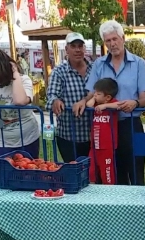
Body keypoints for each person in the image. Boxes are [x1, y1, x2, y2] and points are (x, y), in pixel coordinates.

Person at [72, 20, 145, 185]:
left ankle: (140, 209)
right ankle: (116, 209)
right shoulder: (99, 65)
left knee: (136, 171)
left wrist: (135, 103)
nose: (112, 44)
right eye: (108, 41)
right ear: (104, 43)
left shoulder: (138, 63)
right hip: (106, 125)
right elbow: (91, 93)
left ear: (122, 38)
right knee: (113, 173)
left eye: (115, 39)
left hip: (130, 124)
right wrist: (82, 101)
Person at [47, 32, 92, 162]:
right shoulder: (59, 71)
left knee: (96, 176)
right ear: (66, 49)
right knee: (74, 174)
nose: (77, 50)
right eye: (73, 46)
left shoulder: (95, 68)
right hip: (68, 136)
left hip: (94, 135)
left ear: (84, 48)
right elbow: (51, 97)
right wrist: (55, 101)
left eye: (80, 46)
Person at [86, 78, 119, 184]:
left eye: (98, 93)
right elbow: (88, 105)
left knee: (107, 172)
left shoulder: (112, 104)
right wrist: (94, 99)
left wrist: (105, 105)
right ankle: (92, 190)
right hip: (94, 146)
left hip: (107, 146)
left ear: (108, 97)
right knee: (91, 171)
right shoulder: (95, 105)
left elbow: (119, 105)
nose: (95, 95)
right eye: (94, 92)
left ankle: (109, 192)